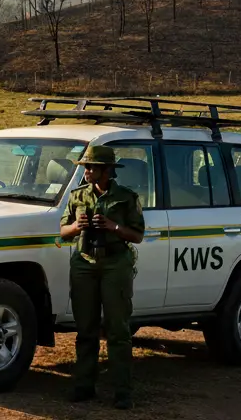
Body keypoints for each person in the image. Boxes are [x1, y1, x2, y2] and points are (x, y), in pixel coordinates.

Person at [59, 145, 145, 410]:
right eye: (86, 166)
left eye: (92, 167)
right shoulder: (77, 196)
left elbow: (138, 235)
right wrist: (76, 227)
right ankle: (84, 386)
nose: (86, 171)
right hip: (84, 263)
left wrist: (113, 227)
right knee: (85, 329)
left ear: (107, 171)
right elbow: (63, 231)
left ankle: (122, 391)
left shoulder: (126, 197)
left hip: (115, 264)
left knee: (118, 330)